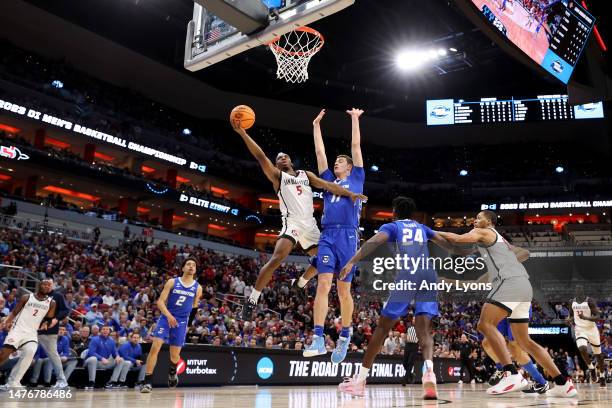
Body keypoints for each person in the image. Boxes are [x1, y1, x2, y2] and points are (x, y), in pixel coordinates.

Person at [232, 123, 366, 321]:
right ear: (276, 165)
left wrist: (350, 194)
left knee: (325, 262)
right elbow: (260, 156)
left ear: (291, 161)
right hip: (293, 223)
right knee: (278, 257)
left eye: (285, 156)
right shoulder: (278, 176)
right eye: (278, 158)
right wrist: (243, 133)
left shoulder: (306, 175)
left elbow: (329, 185)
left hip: (310, 224)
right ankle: (252, 300)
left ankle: (300, 283)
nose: (282, 158)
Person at [437, 210, 577, 397]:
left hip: (510, 284)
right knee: (523, 341)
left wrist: (429, 232)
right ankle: (562, 383)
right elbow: (468, 262)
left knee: (484, 325)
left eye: (479, 218)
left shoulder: (485, 232)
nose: (475, 221)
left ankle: (511, 374)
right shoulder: (499, 246)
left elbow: (457, 239)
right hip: (523, 286)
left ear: (489, 221)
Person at [337, 196, 453, 399]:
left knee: (382, 329)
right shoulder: (422, 227)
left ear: (394, 212)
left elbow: (373, 242)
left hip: (408, 275)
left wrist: (352, 261)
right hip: (428, 275)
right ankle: (429, 373)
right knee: (424, 331)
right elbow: (446, 244)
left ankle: (360, 381)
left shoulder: (393, 227)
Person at [303, 108, 366, 364]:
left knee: (343, 292)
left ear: (349, 167)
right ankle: (318, 337)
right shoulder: (328, 180)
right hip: (328, 235)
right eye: (337, 162)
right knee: (323, 284)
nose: (336, 164)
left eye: (341, 162)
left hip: (349, 238)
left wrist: (354, 119)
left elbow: (355, 145)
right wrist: (316, 125)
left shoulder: (358, 178)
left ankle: (345, 335)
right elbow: (320, 153)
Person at [140, 257, 203, 393]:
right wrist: (168, 316)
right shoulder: (172, 282)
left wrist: (188, 325)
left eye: (193, 265)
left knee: (174, 356)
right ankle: (147, 382)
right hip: (166, 318)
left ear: (195, 270)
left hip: (181, 321)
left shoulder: (198, 288)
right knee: (155, 347)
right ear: (183, 268)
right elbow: (160, 302)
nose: (191, 266)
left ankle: (172, 371)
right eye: (188, 264)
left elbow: (194, 308)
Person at [0, 279, 56, 389]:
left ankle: (13, 382)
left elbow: (49, 318)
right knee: (3, 355)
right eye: (45, 284)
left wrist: (46, 323)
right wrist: (6, 322)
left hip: (32, 333)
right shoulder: (27, 297)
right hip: (17, 330)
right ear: (40, 285)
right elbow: (15, 312)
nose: (47, 286)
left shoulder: (51, 303)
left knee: (29, 353)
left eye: (49, 285)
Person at [569, 288, 606, 387]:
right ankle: (591, 368)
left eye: (580, 291)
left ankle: (602, 376)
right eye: (576, 291)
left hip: (591, 329)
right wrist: (569, 319)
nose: (578, 292)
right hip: (580, 329)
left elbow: (598, 316)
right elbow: (571, 315)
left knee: (598, 355)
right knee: (582, 348)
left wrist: (585, 318)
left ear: (583, 292)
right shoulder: (572, 302)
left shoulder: (589, 301)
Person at [37, 285, 70, 388]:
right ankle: (13, 381)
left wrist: (56, 319)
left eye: (49, 284)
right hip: (34, 329)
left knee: (53, 355)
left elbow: (65, 310)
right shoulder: (37, 297)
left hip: (50, 331)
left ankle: (62, 381)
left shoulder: (57, 296)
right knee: (26, 354)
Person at [83, 325, 118, 390]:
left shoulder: (111, 341)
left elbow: (114, 352)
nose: (105, 331)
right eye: (103, 329)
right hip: (91, 362)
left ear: (109, 331)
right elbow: (91, 352)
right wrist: (101, 358)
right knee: (93, 359)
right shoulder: (95, 339)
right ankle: (91, 382)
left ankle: (112, 382)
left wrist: (117, 356)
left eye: (107, 329)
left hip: (104, 363)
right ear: (100, 331)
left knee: (121, 360)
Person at [402, 321, 419, 386]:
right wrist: (405, 340)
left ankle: (405, 379)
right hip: (408, 345)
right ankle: (411, 374)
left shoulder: (420, 328)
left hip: (414, 345)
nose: (414, 320)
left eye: (415, 319)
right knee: (404, 363)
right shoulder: (409, 328)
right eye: (414, 319)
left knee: (410, 363)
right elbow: (406, 335)